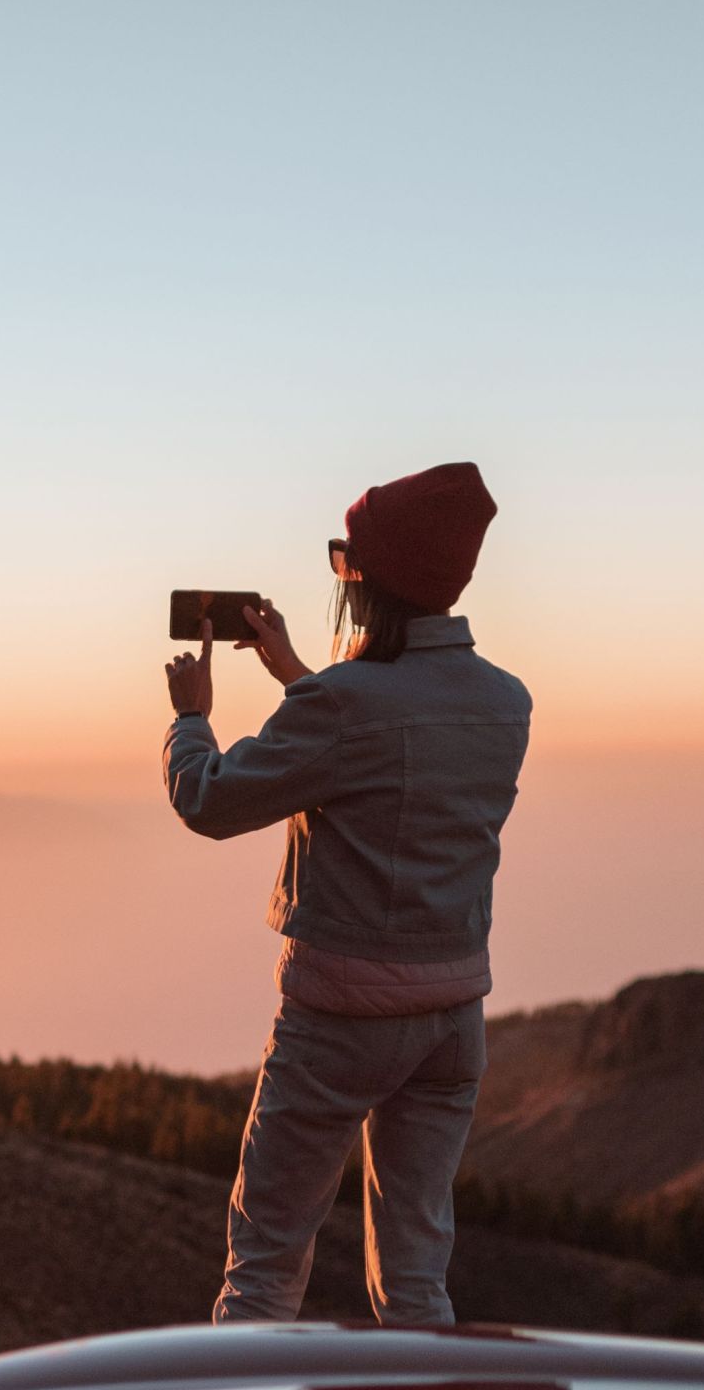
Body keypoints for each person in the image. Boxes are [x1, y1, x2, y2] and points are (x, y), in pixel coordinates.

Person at [160, 461, 529, 1326]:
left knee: (264, 1268)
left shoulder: (346, 703)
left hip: (338, 1023)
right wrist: (297, 672)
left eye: (343, 558)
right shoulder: (505, 703)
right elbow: (394, 750)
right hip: (451, 1024)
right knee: (415, 1283)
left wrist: (190, 715)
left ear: (373, 577)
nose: (339, 573)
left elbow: (209, 801)